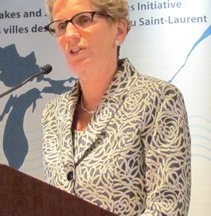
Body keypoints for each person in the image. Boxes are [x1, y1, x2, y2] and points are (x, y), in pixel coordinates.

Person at [41, 0, 191, 215]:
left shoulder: (157, 99)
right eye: (61, 26)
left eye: (83, 19)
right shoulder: (53, 113)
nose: (70, 34)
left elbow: (168, 206)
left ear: (119, 31)